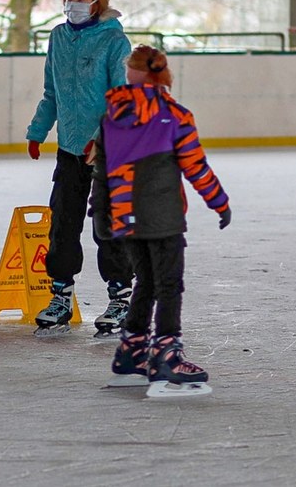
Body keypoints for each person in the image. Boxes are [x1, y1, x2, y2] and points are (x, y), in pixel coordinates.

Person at [91, 44, 232, 394]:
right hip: (163, 217)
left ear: (130, 74)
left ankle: (132, 351)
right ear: (163, 73)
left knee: (147, 283)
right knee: (169, 285)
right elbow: (195, 166)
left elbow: (100, 169)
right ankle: (167, 353)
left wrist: (102, 213)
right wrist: (219, 202)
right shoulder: (175, 115)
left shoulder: (112, 116)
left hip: (125, 216)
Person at [26, 0, 134, 338]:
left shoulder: (114, 42)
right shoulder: (58, 38)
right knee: (62, 223)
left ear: (96, 1)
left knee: (107, 227)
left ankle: (120, 299)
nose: (71, 4)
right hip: (70, 149)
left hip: (106, 152)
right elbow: (51, 92)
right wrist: (37, 132)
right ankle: (61, 297)